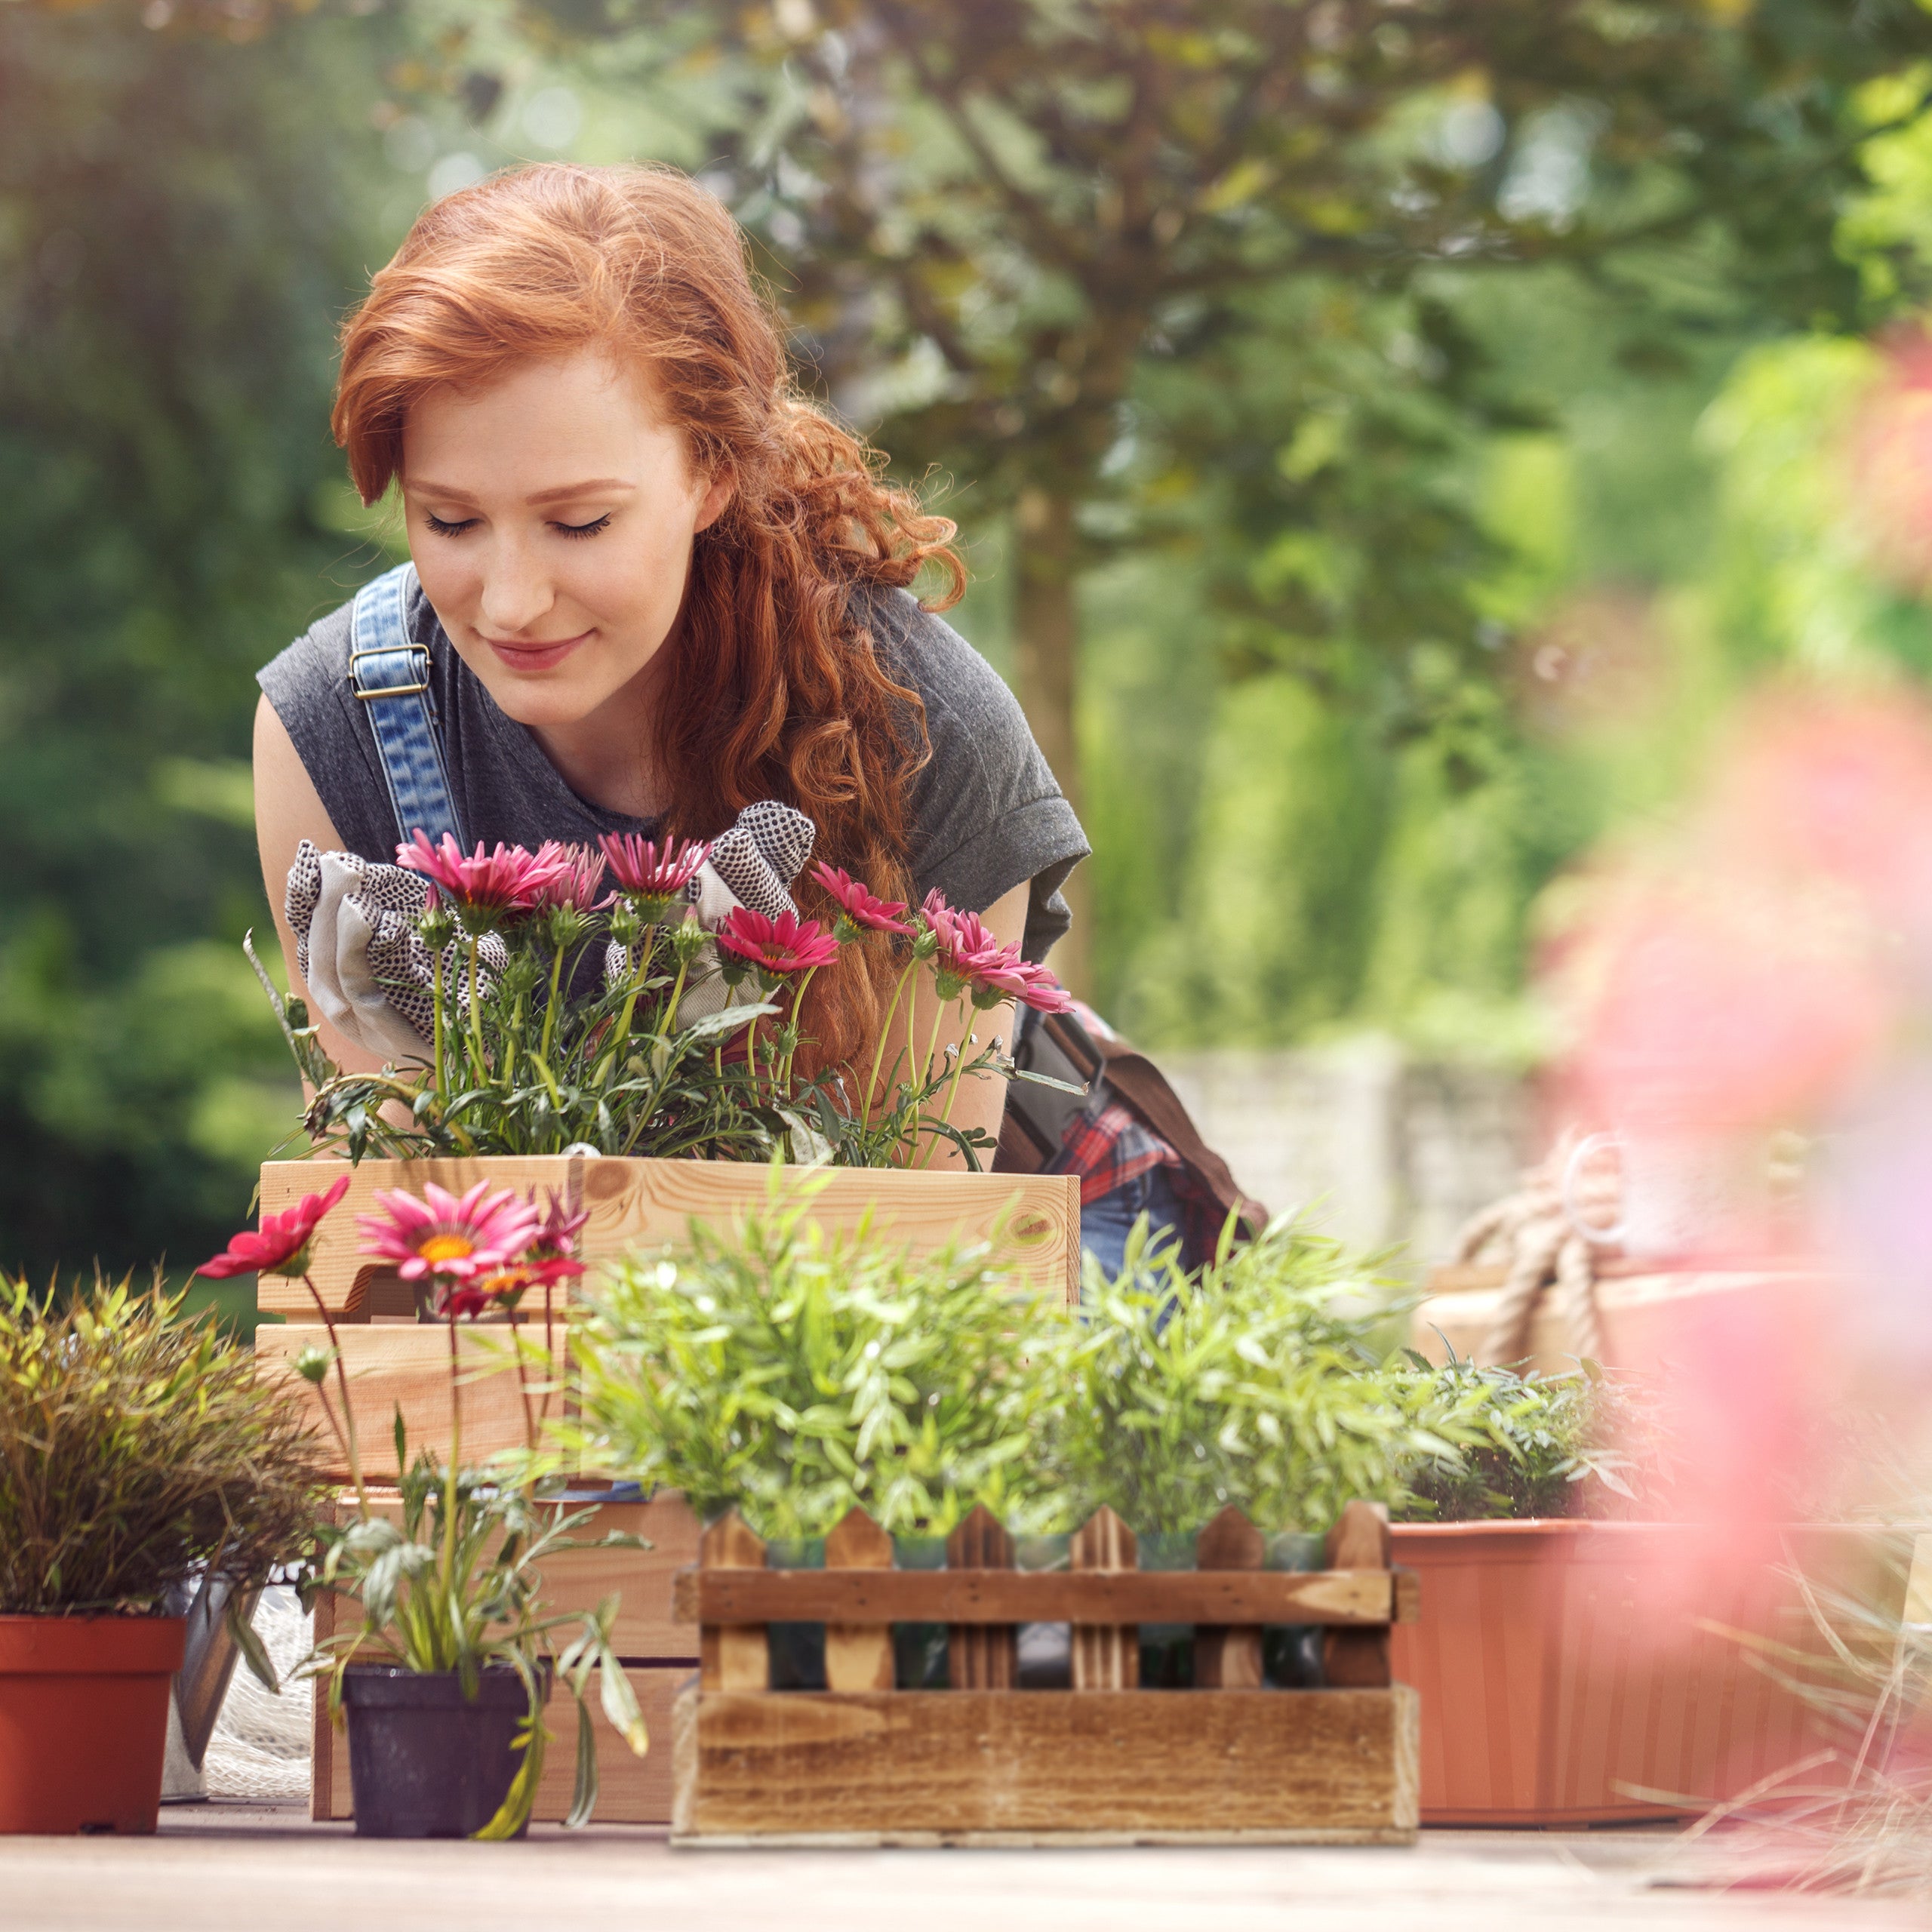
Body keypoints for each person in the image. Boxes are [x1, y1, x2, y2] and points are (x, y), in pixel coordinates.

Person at [251, 162, 1088, 1168]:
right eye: (451, 520)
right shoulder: (339, 726)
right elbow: (383, 1232)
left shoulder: (930, 736)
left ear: (712, 472)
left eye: (580, 522)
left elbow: (919, 1263)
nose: (511, 601)